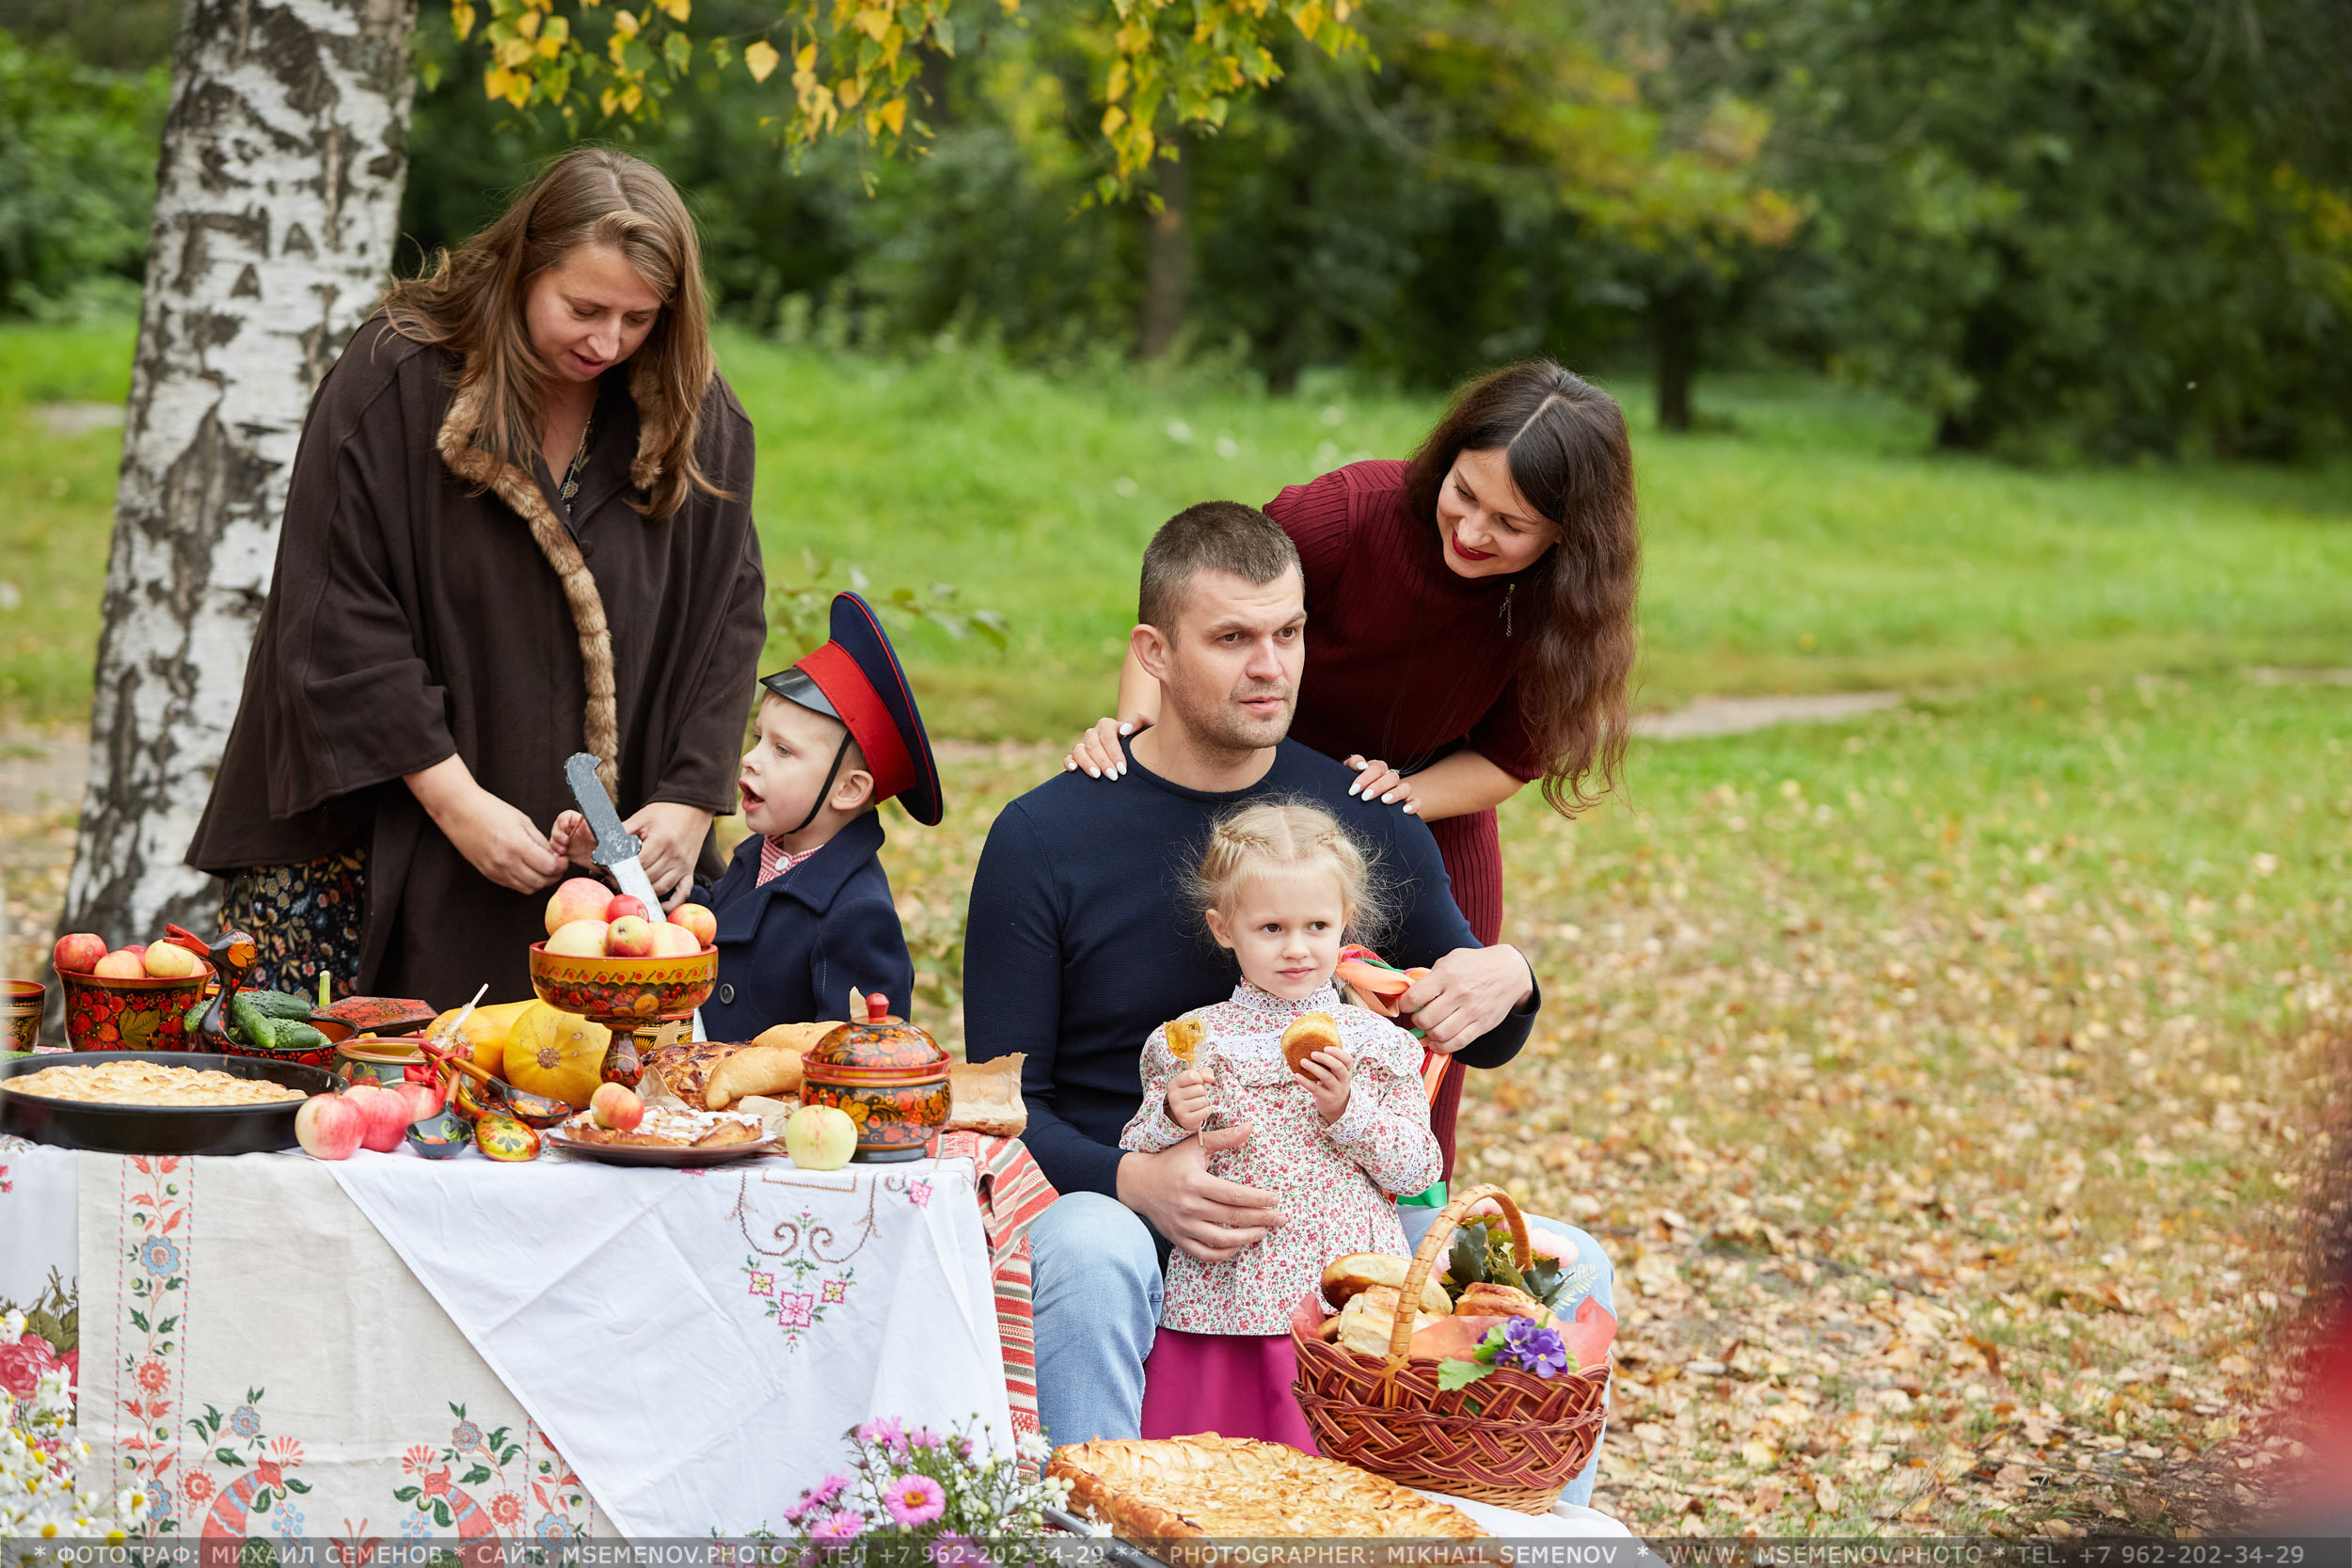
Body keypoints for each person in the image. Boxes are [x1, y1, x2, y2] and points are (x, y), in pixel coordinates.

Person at [962, 499, 1615, 1504]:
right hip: (1121, 1199)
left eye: (1289, 632)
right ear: (1156, 651)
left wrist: (1510, 972)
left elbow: (1485, 1030)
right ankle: (1090, 1523)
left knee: (1575, 1275)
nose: (1271, 666)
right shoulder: (1044, 836)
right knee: (1087, 1248)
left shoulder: (1359, 818)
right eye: (1232, 639)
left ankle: (1505, 1534)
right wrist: (1137, 1180)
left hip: (1333, 1207)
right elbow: (1003, 1109)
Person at [186, 150, 765, 1008]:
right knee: (354, 1106)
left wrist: (688, 796)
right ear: (525, 264)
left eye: (640, 317)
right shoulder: (400, 380)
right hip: (372, 831)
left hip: (604, 879)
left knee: (582, 1114)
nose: (609, 341)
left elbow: (729, 614)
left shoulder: (692, 412)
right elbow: (336, 610)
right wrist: (456, 801)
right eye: (584, 308)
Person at [1065, 362, 1640, 1185]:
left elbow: (1509, 759)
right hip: (1258, 781)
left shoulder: (1560, 609)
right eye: (1464, 492)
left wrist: (1400, 797)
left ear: (1565, 539)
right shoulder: (1346, 516)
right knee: (1238, 1005)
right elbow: (1198, 606)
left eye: (1511, 523)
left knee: (1410, 1072)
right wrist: (1138, 736)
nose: (1474, 529)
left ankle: (1379, 1268)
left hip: (1425, 819)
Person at [1123, 801, 1440, 1450]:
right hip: (1224, 1298)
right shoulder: (1190, 1039)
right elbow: (1136, 1146)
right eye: (1271, 927)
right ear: (1224, 927)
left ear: (1344, 921)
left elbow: (1418, 1169)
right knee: (1216, 1476)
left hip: (1341, 1311)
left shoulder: (1374, 1043)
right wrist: (1170, 1115)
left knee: (1331, 1481)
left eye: (1316, 925)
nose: (1296, 947)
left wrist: (1348, 1111)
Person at [681, 592, 942, 1037]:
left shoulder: (857, 915)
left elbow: (856, 1057)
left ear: (848, 789)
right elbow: (713, 928)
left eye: (782, 750)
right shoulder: (762, 855)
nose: (750, 759)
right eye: (758, 737)